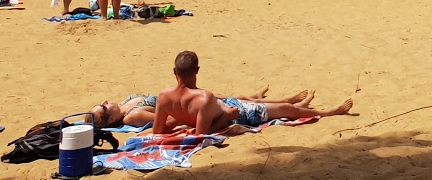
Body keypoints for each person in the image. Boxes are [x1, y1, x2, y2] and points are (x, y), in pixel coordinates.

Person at [155, 51, 351, 135]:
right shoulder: (203, 97)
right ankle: (330, 112)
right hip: (238, 114)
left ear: (174, 72)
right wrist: (227, 117)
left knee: (278, 107)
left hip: (230, 107)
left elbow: (158, 131)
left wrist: (176, 121)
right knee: (286, 109)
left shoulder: (163, 97)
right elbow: (202, 134)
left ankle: (300, 105)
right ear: (197, 71)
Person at [90, 87, 309, 130]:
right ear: (110, 120)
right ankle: (291, 107)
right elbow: (166, 121)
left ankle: (285, 102)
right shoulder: (132, 116)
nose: (107, 101)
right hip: (182, 105)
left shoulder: (126, 104)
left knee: (229, 96)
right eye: (104, 106)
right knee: (229, 102)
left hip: (178, 98)